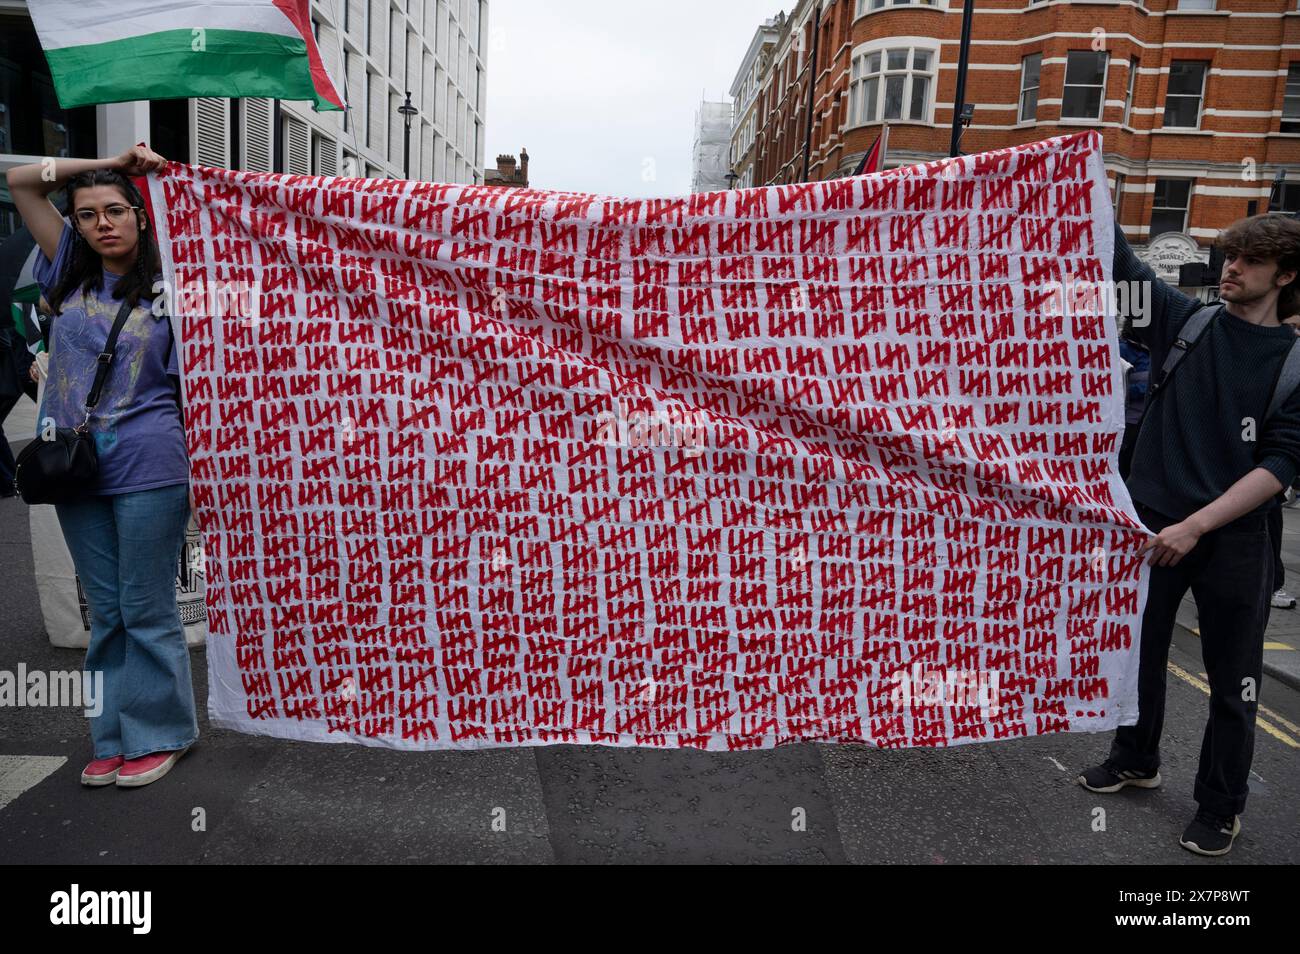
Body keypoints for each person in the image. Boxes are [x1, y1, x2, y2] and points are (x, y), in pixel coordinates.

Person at [1077, 213, 1300, 856]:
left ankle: (1219, 806)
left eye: (1250, 261)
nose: (1231, 268)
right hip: (1152, 529)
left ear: (1286, 276)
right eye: (1230, 257)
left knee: (1234, 684)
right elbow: (1122, 269)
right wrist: (1087, 182)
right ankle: (1134, 758)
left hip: (1234, 542)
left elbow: (1281, 463)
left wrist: (1196, 525)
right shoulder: (1187, 321)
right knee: (1140, 657)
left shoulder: (1293, 362)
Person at [5, 145, 197, 788]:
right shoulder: (66, 269)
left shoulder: (176, 287)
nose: (102, 224)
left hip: (149, 463)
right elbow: (20, 182)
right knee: (107, 611)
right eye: (87, 215)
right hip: (72, 468)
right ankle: (112, 734)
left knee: (145, 608)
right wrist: (109, 160)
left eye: (116, 210)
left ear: (141, 219)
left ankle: (162, 733)